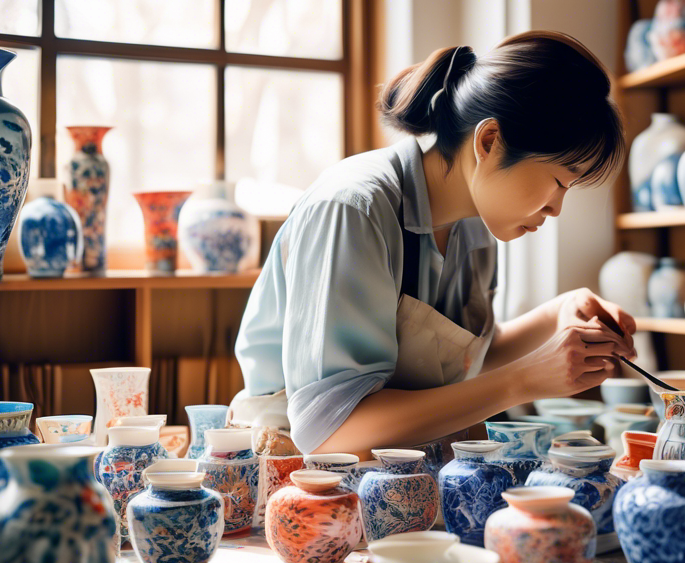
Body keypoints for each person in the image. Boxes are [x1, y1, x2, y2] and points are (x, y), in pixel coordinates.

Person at [232, 30, 636, 460]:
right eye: (558, 181)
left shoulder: (477, 227)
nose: (556, 208)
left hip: (403, 473)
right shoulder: (354, 208)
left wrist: (558, 315)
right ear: (488, 141)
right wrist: (524, 380)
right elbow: (332, 433)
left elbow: (460, 364)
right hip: (296, 473)